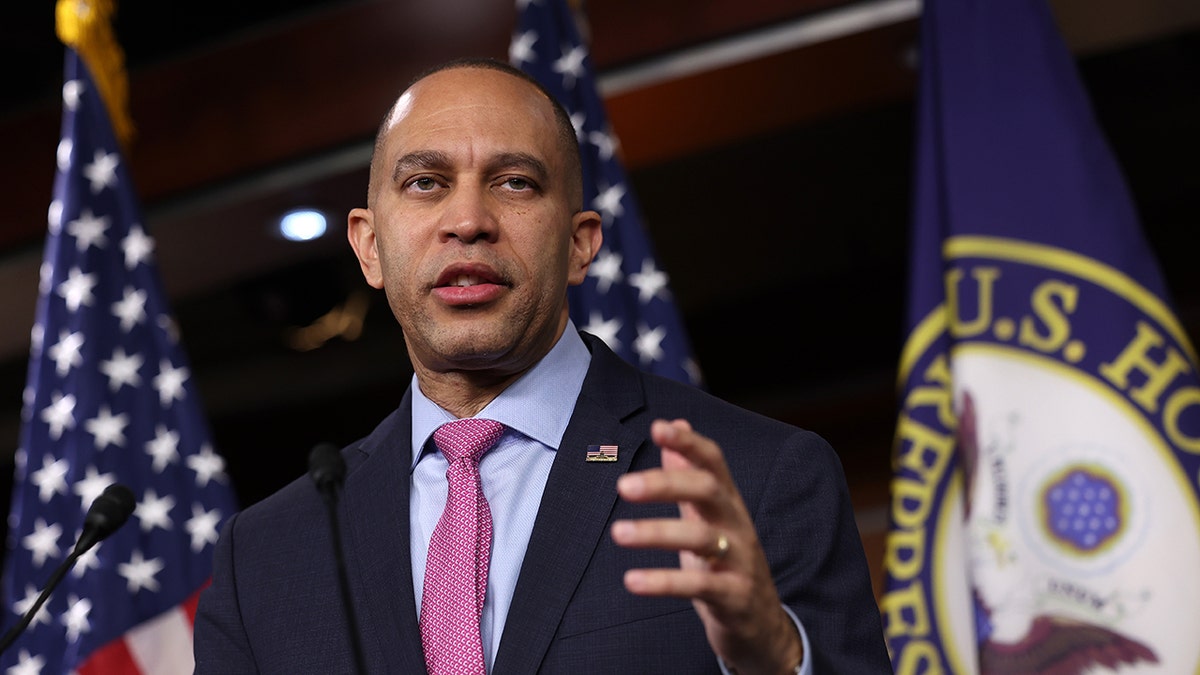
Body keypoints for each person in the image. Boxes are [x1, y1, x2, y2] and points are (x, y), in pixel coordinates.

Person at [193, 57, 891, 674]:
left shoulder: (759, 478)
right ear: (369, 247)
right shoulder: (265, 556)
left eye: (516, 182)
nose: (467, 219)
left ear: (582, 244)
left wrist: (774, 656)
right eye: (427, 183)